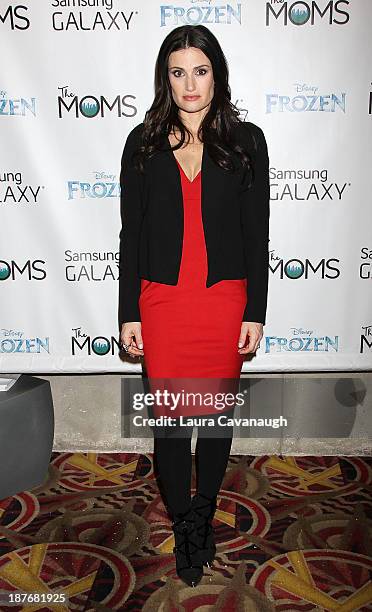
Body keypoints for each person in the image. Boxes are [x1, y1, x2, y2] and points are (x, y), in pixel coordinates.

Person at [118, 25, 270, 587]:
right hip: (162, 302)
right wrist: (128, 311)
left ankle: (203, 513)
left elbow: (258, 236)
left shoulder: (246, 140)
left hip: (223, 300)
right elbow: (130, 234)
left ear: (217, 74)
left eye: (199, 70)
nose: (189, 83)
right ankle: (183, 524)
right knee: (172, 422)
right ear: (166, 77)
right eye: (178, 71)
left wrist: (255, 308)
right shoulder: (143, 142)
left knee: (214, 418)